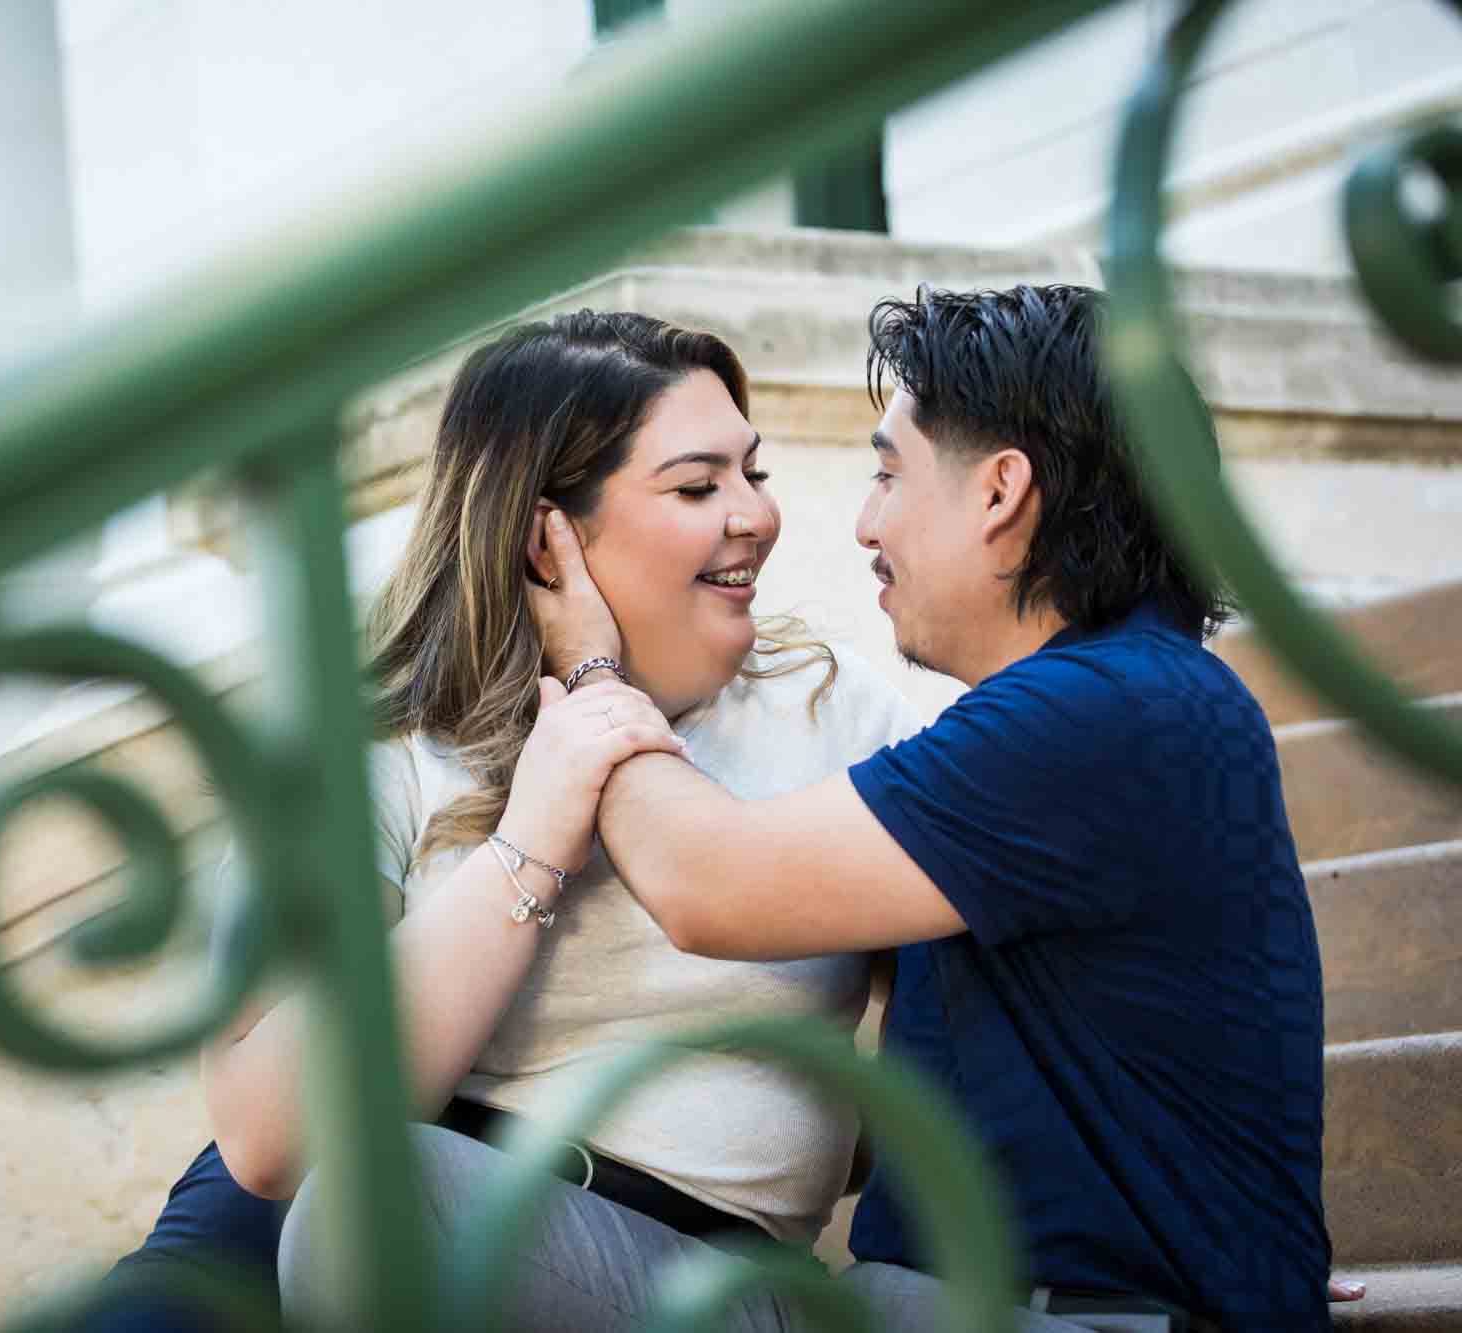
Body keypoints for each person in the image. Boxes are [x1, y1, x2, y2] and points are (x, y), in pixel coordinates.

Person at [92, 308, 934, 1331]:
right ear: (547, 536)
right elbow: (267, 1135)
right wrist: (529, 842)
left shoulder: (832, 707)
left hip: (696, 1276)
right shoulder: (374, 743)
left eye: (751, 473)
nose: (755, 515)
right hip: (393, 1216)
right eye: (697, 486)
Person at [524, 284, 1332, 1332]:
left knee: (396, 1201)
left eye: (886, 472)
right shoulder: (1092, 711)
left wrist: (588, 664)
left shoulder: (1110, 710)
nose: (862, 522)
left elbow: (704, 883)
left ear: (1000, 491)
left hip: (1069, 1320)